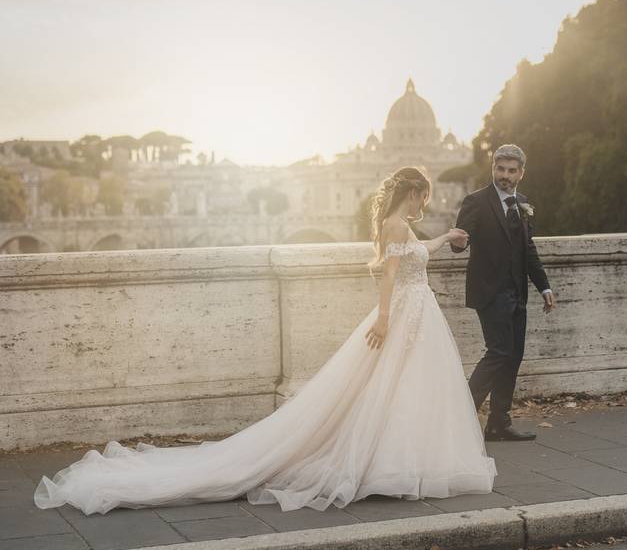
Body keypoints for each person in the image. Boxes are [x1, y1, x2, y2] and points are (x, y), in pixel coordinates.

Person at [34, 166, 496, 516]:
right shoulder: (397, 227)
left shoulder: (402, 227)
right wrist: (381, 318)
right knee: (395, 390)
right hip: (403, 314)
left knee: (400, 390)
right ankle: (392, 463)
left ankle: (398, 461)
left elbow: (411, 254)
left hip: (417, 312)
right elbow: (391, 274)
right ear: (411, 193)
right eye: (422, 198)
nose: (423, 206)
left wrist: (443, 239)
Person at [450, 144, 555, 442]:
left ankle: (498, 423)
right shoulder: (476, 201)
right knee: (498, 352)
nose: (504, 176)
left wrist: (544, 286)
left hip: (517, 292)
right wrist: (457, 242)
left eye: (511, 171)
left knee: (513, 356)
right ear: (492, 168)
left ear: (521, 173)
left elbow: (528, 250)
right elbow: (462, 238)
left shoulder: (522, 203)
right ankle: (460, 417)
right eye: (500, 169)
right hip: (489, 291)